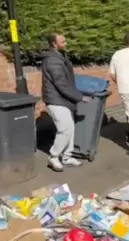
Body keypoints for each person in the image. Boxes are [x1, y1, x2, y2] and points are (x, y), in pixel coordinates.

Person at [41, 33, 91, 172]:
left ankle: (67, 157)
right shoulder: (52, 60)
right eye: (63, 41)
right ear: (54, 44)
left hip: (62, 99)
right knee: (65, 128)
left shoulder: (61, 56)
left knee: (70, 128)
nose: (66, 43)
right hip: (55, 99)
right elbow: (61, 83)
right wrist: (80, 97)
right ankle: (54, 156)